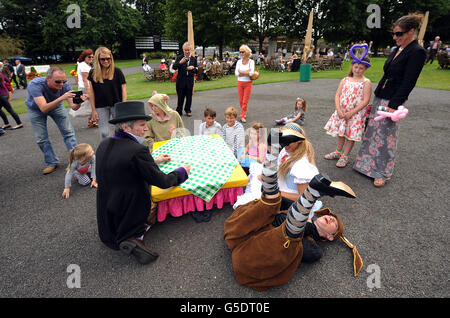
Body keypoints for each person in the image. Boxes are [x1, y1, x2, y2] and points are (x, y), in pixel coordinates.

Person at [224, 145, 361, 291]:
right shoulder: (306, 213)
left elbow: (301, 252)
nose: (331, 218)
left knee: (287, 239)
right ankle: (274, 146)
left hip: (251, 255)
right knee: (269, 203)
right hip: (240, 231)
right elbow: (279, 205)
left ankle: (313, 192)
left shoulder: (314, 248)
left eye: (335, 223)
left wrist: (307, 226)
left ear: (330, 237)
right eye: (331, 216)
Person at [96, 101, 191, 264]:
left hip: (106, 209)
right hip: (129, 208)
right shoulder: (137, 150)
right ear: (126, 128)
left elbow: (124, 163)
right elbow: (162, 181)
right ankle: (133, 236)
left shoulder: (105, 144)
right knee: (153, 197)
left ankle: (127, 235)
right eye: (141, 125)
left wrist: (153, 160)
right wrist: (182, 172)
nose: (146, 128)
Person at [353, 14, 427, 187]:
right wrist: (376, 96)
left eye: (399, 34)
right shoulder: (396, 50)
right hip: (381, 96)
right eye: (394, 34)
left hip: (392, 100)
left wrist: (394, 105)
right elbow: (388, 73)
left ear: (411, 31)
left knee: (386, 136)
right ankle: (366, 165)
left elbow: (409, 81)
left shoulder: (417, 52)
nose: (395, 37)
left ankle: (382, 172)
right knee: (372, 132)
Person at [25, 67, 86, 174]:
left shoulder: (65, 85)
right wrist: (61, 98)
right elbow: (43, 108)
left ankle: (76, 160)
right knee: (41, 138)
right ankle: (52, 162)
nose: (61, 84)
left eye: (64, 81)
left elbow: (73, 107)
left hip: (57, 106)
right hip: (36, 109)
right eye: (58, 81)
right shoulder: (35, 84)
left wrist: (80, 101)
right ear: (48, 79)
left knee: (68, 133)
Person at [324, 53, 372, 168]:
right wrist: (339, 110)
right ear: (352, 67)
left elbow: (365, 100)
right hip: (342, 112)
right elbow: (337, 95)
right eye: (355, 67)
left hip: (355, 114)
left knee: (350, 135)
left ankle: (345, 156)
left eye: (361, 68)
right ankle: (338, 152)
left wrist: (352, 112)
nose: (358, 70)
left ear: (365, 69)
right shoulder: (345, 80)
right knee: (341, 132)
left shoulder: (366, 82)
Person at [88, 47, 127, 141]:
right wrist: (93, 110)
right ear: (97, 59)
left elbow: (123, 89)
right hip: (100, 106)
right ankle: (106, 152)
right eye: (103, 59)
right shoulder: (93, 72)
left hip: (117, 105)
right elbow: (91, 92)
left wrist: (123, 105)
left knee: (120, 130)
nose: (106, 61)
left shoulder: (117, 71)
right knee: (104, 133)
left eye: (108, 58)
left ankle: (121, 151)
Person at [172, 42, 198, 117]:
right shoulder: (179, 57)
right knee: (180, 97)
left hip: (189, 81)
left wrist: (193, 68)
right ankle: (179, 110)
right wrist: (180, 63)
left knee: (189, 97)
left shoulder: (193, 59)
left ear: (191, 50)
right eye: (185, 50)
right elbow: (174, 68)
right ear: (183, 50)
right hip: (181, 81)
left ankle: (188, 110)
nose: (187, 51)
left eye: (188, 50)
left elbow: (197, 69)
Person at [74, 49, 96, 127]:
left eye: (92, 57)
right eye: (89, 57)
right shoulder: (83, 66)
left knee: (92, 105)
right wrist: (89, 92)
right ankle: (92, 120)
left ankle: (92, 120)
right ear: (84, 57)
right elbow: (85, 80)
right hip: (85, 88)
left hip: (89, 87)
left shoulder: (88, 65)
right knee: (90, 105)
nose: (91, 58)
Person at [235, 44, 255, 123]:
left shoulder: (251, 62)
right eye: (240, 52)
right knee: (240, 100)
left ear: (246, 52)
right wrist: (246, 72)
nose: (241, 53)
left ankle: (242, 115)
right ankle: (244, 112)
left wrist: (241, 72)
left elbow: (251, 73)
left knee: (245, 101)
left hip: (248, 83)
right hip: (240, 82)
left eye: (242, 52)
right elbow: (236, 73)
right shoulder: (239, 62)